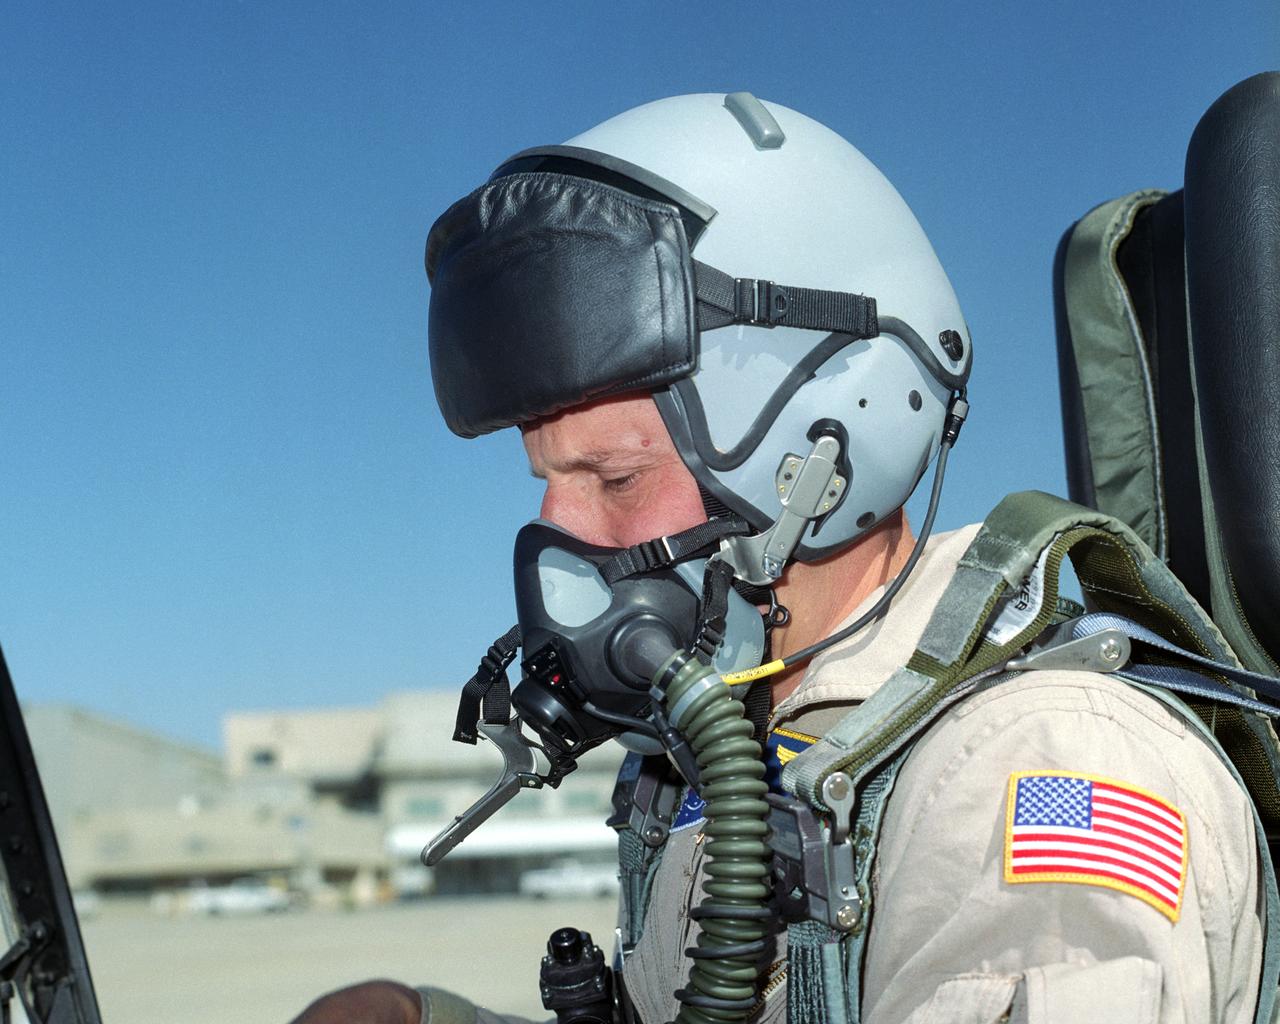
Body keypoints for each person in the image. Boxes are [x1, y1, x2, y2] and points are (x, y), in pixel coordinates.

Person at [292, 94, 1265, 1024]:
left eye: (618, 479)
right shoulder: (741, 749)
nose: (565, 540)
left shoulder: (1028, 777)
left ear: (829, 451)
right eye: (547, 484)